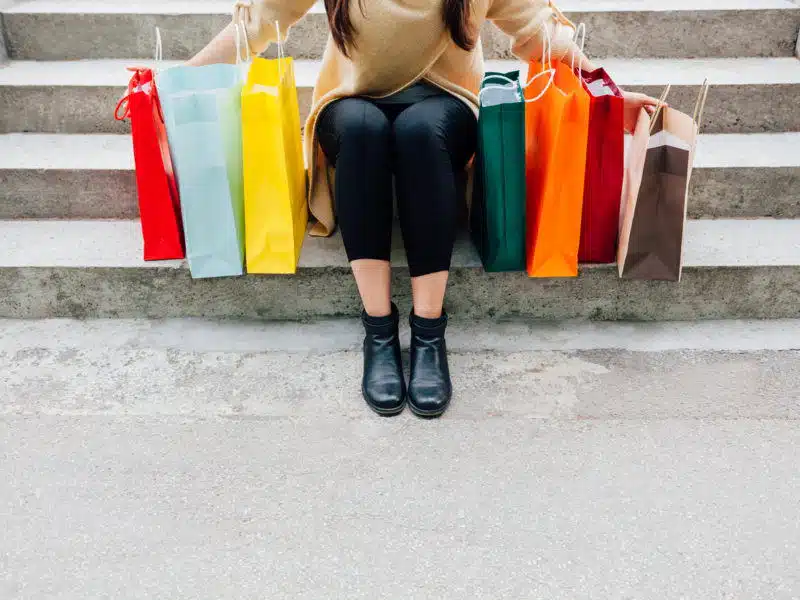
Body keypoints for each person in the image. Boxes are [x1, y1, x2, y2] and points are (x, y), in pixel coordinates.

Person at [188, 0, 660, 418]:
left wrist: (608, 93)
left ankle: (429, 330)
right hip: (352, 104)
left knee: (419, 129)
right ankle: (379, 329)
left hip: (446, 109)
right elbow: (259, 19)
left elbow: (539, 28)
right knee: (361, 127)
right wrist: (181, 80)